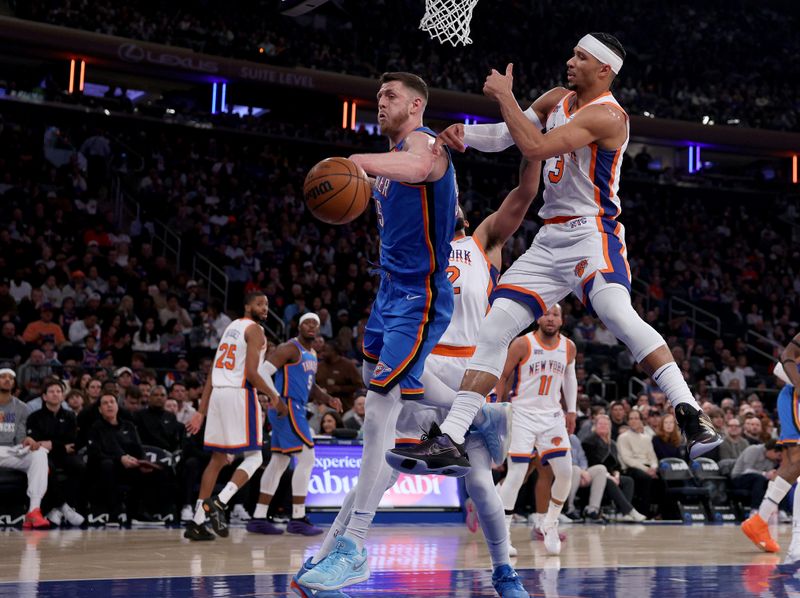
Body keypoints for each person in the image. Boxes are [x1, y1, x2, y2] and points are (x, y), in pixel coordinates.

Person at [390, 32, 721, 475]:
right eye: (572, 53)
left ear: (604, 70)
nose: (570, 61)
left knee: (619, 316)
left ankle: (690, 413)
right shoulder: (555, 98)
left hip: (592, 232)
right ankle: (450, 437)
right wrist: (463, 135)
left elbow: (537, 147)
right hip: (550, 239)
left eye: (581, 57)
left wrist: (505, 96)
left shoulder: (608, 117)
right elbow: (510, 135)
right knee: (494, 327)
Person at [299, 137, 541, 598]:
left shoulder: (483, 243)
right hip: (423, 367)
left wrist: (532, 145)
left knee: (481, 485)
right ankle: (330, 553)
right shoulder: (418, 249)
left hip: (467, 371)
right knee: (380, 472)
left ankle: (505, 572)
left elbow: (524, 196)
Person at [294, 71, 458, 594]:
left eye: (390, 96)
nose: (380, 103)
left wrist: (353, 164)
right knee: (393, 396)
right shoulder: (388, 161)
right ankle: (476, 416)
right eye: (378, 96)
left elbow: (422, 165)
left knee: (377, 418)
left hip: (420, 299)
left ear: (415, 105)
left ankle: (352, 547)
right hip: (388, 294)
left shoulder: (425, 145)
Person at [183, 292, 278, 541]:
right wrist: (273, 395)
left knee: (218, 459)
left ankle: (197, 521)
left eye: (267, 305)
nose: (265, 308)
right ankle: (220, 501)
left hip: (218, 396)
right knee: (256, 456)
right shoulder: (255, 330)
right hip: (239, 394)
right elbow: (252, 374)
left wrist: (201, 412)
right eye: (259, 303)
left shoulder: (229, 329)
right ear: (247, 306)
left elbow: (213, 373)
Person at [491, 304, 576, 556]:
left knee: (565, 473)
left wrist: (571, 409)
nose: (550, 318)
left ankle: (549, 522)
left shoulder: (569, 347)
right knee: (517, 473)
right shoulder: (522, 343)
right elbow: (503, 375)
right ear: (538, 317)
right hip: (522, 415)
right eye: (546, 313)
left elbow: (570, 378)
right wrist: (497, 409)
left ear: (562, 320)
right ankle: (503, 534)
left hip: (552, 417)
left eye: (555, 315)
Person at [246, 313, 340, 536]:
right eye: (307, 323)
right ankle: (297, 517)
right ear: (299, 326)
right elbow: (262, 372)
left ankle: (259, 517)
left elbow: (311, 385)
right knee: (308, 458)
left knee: (278, 461)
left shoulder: (312, 353)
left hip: (293, 407)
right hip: (287, 406)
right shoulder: (289, 348)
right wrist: (275, 398)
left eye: (315, 324)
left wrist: (328, 399)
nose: (312, 327)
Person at [742, 333, 800, 557]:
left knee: (790, 466)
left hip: (792, 397)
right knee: (797, 464)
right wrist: (797, 383)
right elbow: (786, 355)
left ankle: (759, 521)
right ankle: (795, 540)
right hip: (795, 397)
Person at [25, 379, 86, 526]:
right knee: (47, 468)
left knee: (79, 466)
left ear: (63, 396)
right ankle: (63, 507)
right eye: (51, 391)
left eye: (58, 391)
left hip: (64, 455)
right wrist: (59, 445)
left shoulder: (70, 416)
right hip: (43, 455)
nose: (55, 394)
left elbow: (73, 442)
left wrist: (52, 443)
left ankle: (66, 507)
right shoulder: (34, 417)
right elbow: (36, 443)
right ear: (44, 396)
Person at [0, 368, 51, 528]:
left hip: (9, 452)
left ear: (15, 383)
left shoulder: (21, 407)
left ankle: (34, 511)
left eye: (11, 378)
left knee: (40, 454)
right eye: (3, 377)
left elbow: (20, 437)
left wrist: (27, 440)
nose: (7, 380)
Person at [582, 414, 645, 522]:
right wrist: (609, 476)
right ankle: (629, 511)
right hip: (595, 474)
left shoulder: (613, 444)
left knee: (628, 481)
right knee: (609, 482)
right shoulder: (589, 441)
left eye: (606, 424)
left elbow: (616, 465)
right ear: (595, 426)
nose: (603, 426)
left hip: (609, 474)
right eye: (600, 424)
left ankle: (621, 513)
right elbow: (592, 463)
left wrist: (616, 474)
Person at [617, 409, 659, 517]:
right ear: (628, 421)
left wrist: (654, 468)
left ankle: (661, 513)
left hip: (648, 468)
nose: (634, 421)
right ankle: (643, 512)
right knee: (645, 478)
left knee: (662, 479)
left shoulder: (646, 438)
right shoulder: (623, 437)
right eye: (631, 419)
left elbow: (653, 457)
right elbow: (627, 459)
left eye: (636, 418)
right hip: (632, 468)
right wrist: (646, 470)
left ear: (641, 421)